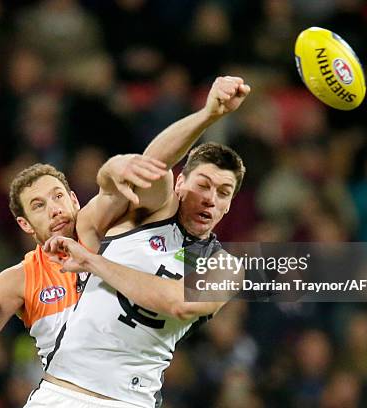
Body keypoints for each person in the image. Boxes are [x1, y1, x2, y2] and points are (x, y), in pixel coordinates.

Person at [0, 75, 247, 369]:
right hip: (62, 392)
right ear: (25, 224)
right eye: (39, 205)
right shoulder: (21, 279)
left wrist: (113, 168)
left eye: (59, 197)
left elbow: (146, 168)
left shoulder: (102, 227)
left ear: (75, 199)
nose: (54, 209)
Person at [26, 77, 251, 408]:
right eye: (203, 185)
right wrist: (209, 114)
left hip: (129, 401)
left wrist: (93, 262)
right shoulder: (150, 212)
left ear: (230, 204)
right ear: (181, 183)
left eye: (223, 193)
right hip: (61, 393)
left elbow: (180, 303)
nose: (210, 200)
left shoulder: (225, 267)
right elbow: (151, 166)